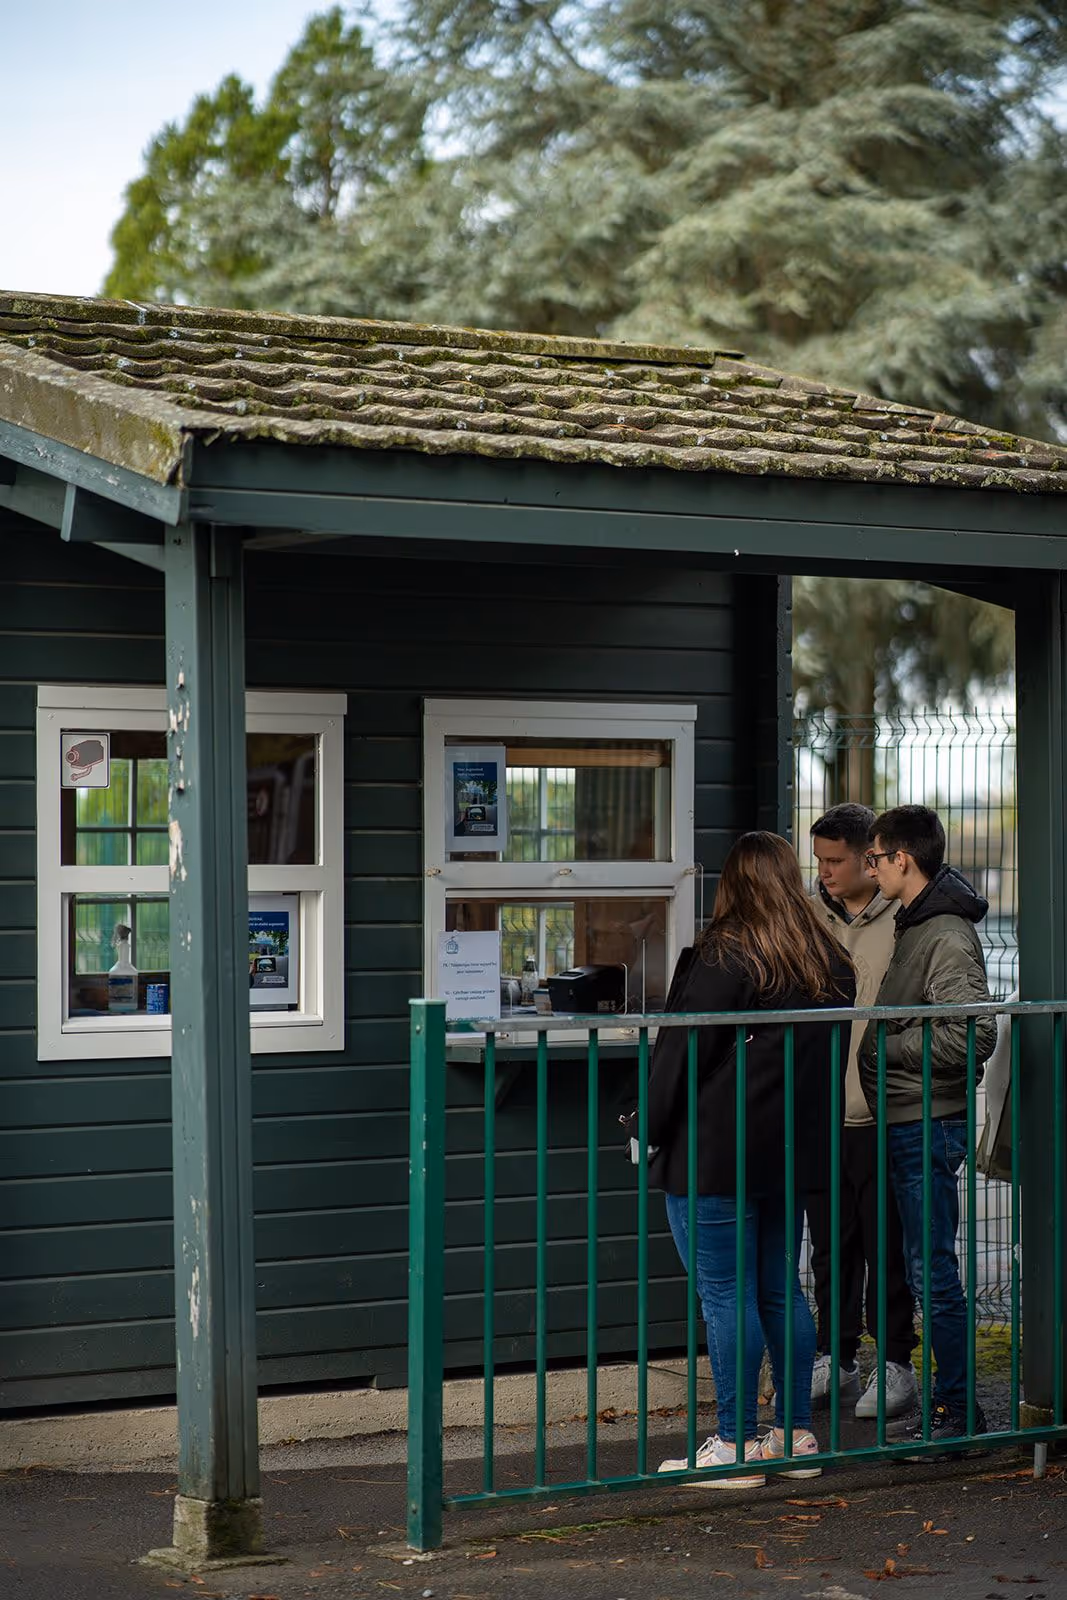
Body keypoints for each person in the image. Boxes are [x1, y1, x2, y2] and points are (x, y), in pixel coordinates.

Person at [648, 831, 855, 1488]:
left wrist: (646, 1124)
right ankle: (792, 1436)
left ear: (732, 882)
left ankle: (734, 1445)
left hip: (715, 1151)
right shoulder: (827, 959)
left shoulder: (726, 953)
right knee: (778, 1290)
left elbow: (682, 1055)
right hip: (790, 1153)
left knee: (724, 1293)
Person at [858, 805, 997, 1446]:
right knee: (922, 1269)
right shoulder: (918, 922)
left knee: (932, 1273)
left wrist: (886, 1046)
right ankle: (950, 1406)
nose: (871, 870)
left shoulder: (943, 932)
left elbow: (972, 1036)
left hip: (927, 1122)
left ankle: (957, 1411)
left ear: (902, 859)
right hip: (908, 1118)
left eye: (876, 858)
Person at [806, 804, 918, 1420]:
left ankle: (896, 1363)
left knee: (887, 1249)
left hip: (883, 1113)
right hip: (822, 1115)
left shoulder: (905, 917)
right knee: (829, 1248)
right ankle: (836, 1356)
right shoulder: (807, 917)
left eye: (835, 861)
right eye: (818, 861)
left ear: (869, 859)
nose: (824, 872)